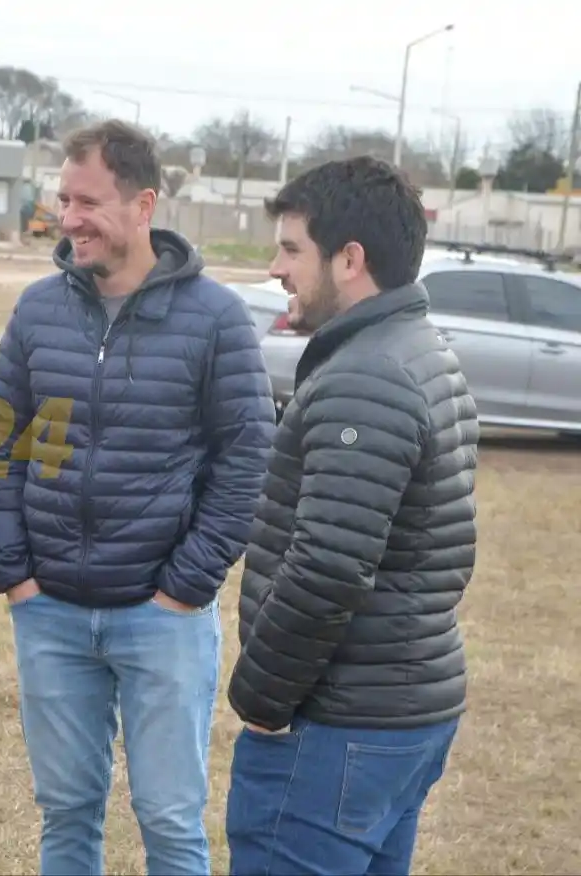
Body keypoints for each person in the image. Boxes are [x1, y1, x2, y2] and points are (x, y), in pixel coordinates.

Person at [0, 118, 275, 875]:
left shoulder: (215, 319)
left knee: (170, 819)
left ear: (144, 206)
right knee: (66, 813)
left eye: (89, 202)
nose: (69, 217)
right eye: (63, 198)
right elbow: (4, 440)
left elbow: (246, 460)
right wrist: (14, 571)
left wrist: (185, 586)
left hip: (162, 619)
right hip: (49, 614)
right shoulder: (39, 309)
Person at [224, 156, 479, 875]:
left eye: (291, 249)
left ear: (351, 259)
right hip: (403, 714)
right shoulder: (424, 351)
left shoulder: (367, 374)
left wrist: (261, 699)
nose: (275, 267)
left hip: (339, 725)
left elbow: (330, 566)